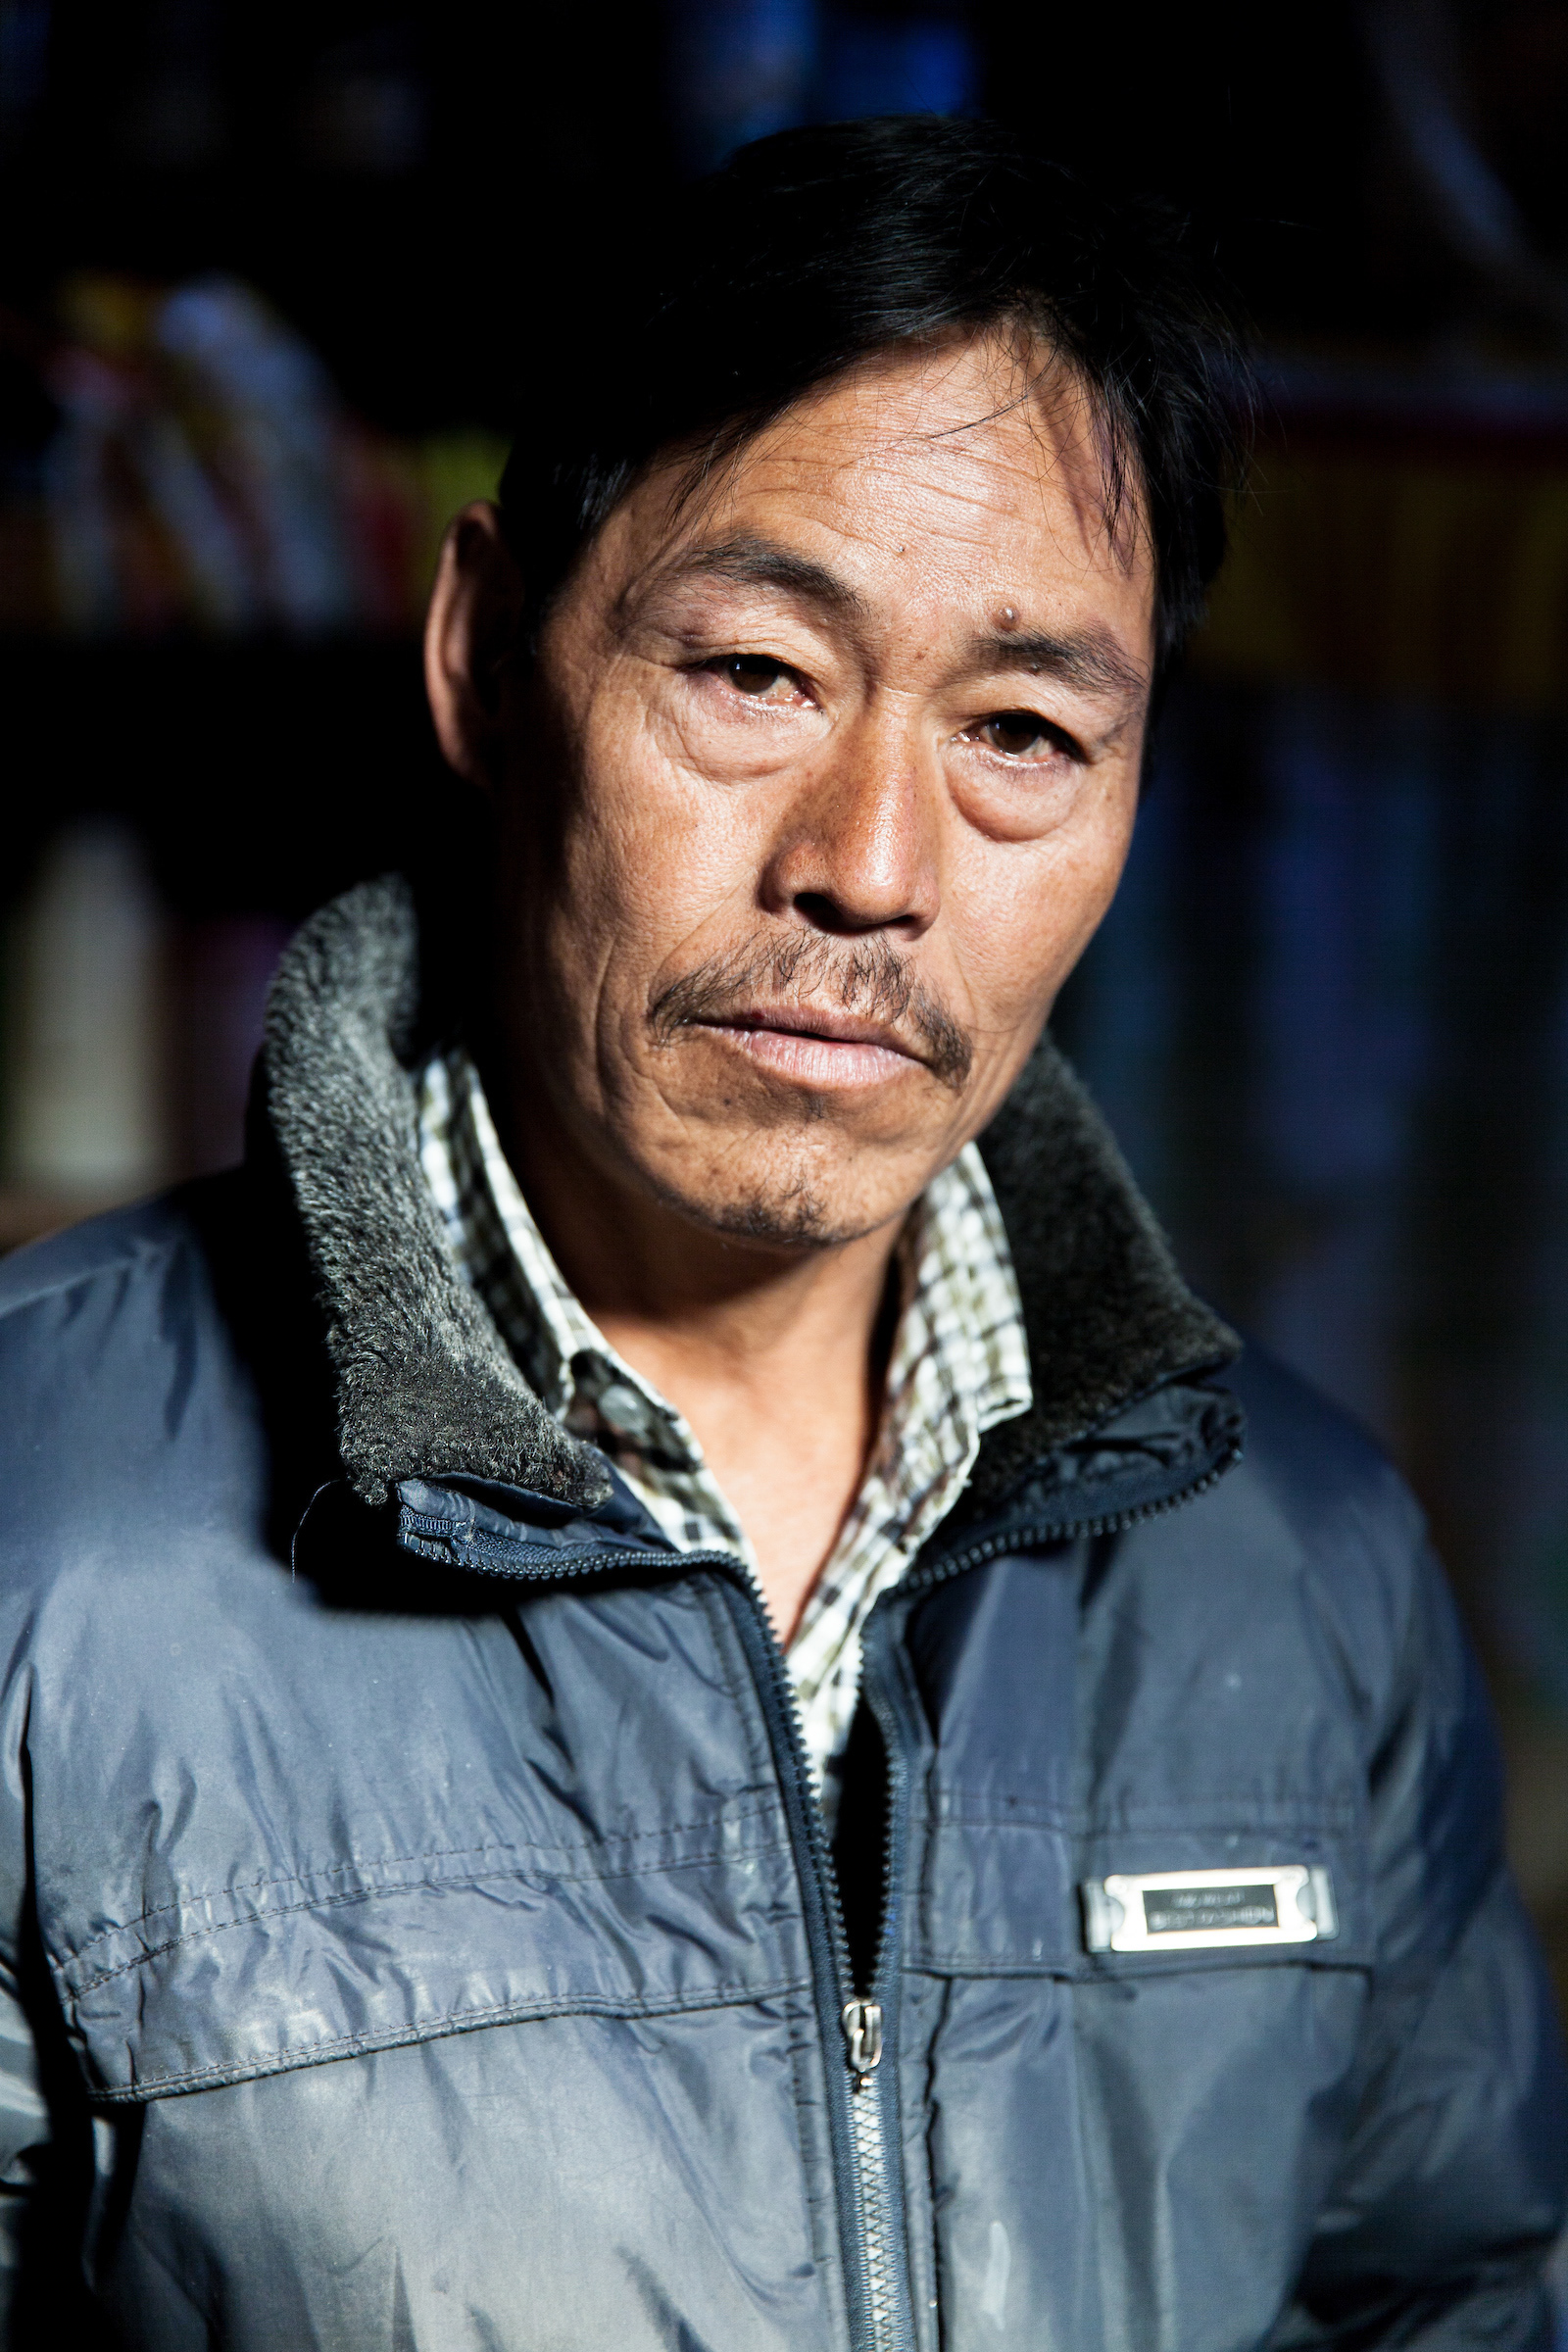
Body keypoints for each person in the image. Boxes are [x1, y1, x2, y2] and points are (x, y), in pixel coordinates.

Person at [0, 117, 1561, 2351]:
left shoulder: (1302, 1573)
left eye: (1020, 731)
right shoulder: (38, 1532)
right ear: (483, 657)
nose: (870, 866)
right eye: (754, 674)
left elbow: (1451, 2299)